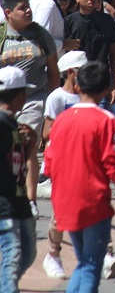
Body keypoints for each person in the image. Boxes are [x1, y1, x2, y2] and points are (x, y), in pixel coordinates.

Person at [44, 61, 115, 290]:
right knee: (92, 266)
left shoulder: (60, 121)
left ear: (78, 85)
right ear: (105, 90)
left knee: (85, 263)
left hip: (64, 202)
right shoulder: (106, 120)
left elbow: (49, 165)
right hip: (94, 203)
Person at [0, 0, 61, 216]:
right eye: (22, 8)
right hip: (4, 101)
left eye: (28, 7)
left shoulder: (40, 35)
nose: (28, 11)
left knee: (27, 145)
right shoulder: (2, 35)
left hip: (34, 98)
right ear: (8, 13)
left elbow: (53, 71)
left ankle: (30, 199)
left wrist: (54, 104)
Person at [40, 50, 87, 280]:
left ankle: (104, 252)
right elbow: (47, 132)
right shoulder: (57, 98)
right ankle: (52, 254)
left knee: (94, 206)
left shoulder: (87, 96)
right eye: (82, 71)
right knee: (61, 212)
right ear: (71, 73)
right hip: (63, 160)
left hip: (85, 160)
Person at [0, 66, 36, 292]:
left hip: (19, 200)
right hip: (5, 204)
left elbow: (19, 160)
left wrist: (30, 140)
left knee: (28, 252)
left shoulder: (13, 123)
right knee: (12, 255)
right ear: (21, 95)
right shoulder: (2, 123)